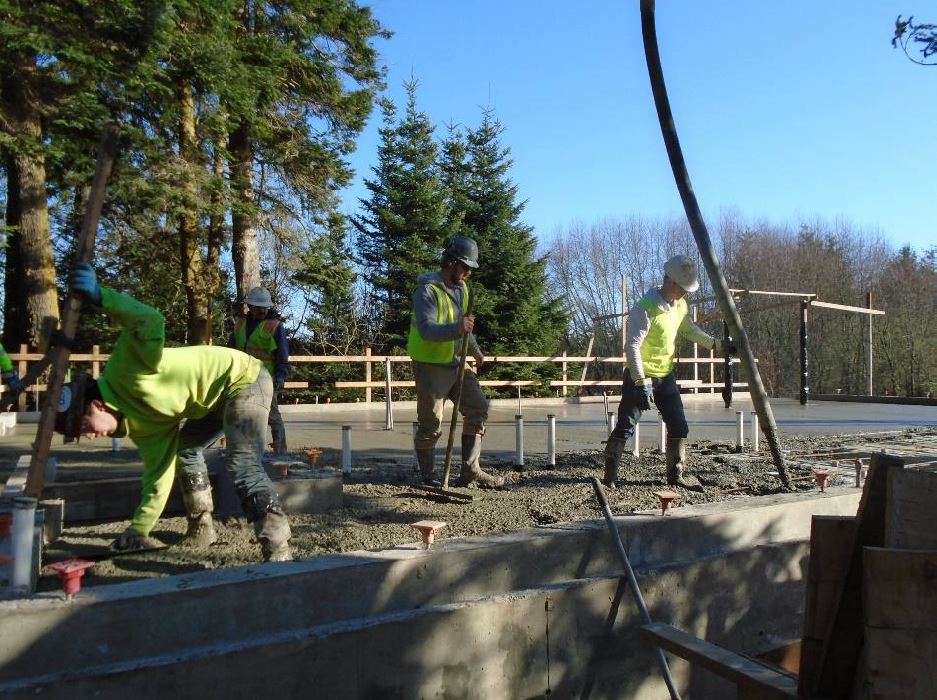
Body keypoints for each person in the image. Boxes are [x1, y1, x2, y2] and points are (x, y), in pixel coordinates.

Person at [58, 263, 292, 561]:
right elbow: (157, 479)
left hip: (246, 378)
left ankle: (277, 546)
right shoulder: (144, 429)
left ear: (96, 405)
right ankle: (202, 527)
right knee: (185, 451)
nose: (88, 436)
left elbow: (150, 320)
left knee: (242, 461)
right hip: (211, 398)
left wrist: (100, 296)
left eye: (83, 426)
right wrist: (139, 529)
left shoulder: (126, 370)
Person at [603, 254, 732, 490]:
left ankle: (675, 476)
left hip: (666, 375)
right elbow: (631, 346)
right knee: (626, 425)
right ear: (670, 281)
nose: (686, 293)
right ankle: (609, 478)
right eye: (683, 288)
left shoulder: (681, 305)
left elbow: (689, 330)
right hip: (639, 376)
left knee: (679, 426)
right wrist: (641, 383)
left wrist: (717, 345)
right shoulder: (645, 308)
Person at [407, 235, 503, 489]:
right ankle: (429, 477)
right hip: (430, 365)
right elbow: (427, 330)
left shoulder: (463, 290)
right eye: (466, 266)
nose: (469, 272)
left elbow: (465, 328)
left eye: (471, 268)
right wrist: (457, 329)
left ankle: (471, 470)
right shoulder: (426, 290)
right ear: (450, 262)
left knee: (478, 407)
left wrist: (476, 352)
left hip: (457, 363)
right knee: (431, 423)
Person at [229, 287, 290, 454]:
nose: (262, 310)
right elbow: (230, 352)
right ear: (250, 306)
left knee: (272, 416)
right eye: (258, 306)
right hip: (241, 379)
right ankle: (244, 451)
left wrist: (280, 376)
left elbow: (282, 355)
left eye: (265, 307)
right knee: (239, 413)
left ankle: (280, 452)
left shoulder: (275, 326)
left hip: (266, 379)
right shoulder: (239, 325)